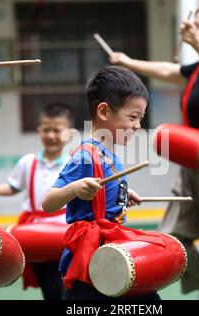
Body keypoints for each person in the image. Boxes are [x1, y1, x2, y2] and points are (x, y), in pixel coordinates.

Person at [110, 4, 199, 299]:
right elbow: (168, 70)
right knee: (172, 235)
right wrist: (128, 62)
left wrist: (194, 40)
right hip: (191, 160)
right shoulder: (197, 69)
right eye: (196, 25)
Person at [42, 65, 163, 300]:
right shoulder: (85, 156)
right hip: (89, 261)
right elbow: (48, 203)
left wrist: (123, 192)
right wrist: (74, 188)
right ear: (104, 111)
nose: (138, 125)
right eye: (133, 117)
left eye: (141, 118)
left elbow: (104, 188)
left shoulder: (111, 155)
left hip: (111, 255)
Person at [0, 103, 74, 300]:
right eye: (46, 129)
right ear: (39, 130)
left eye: (57, 130)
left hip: (65, 233)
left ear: (69, 133)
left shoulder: (75, 162)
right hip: (35, 235)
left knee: (66, 285)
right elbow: (13, 186)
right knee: (49, 287)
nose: (51, 135)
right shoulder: (28, 162)